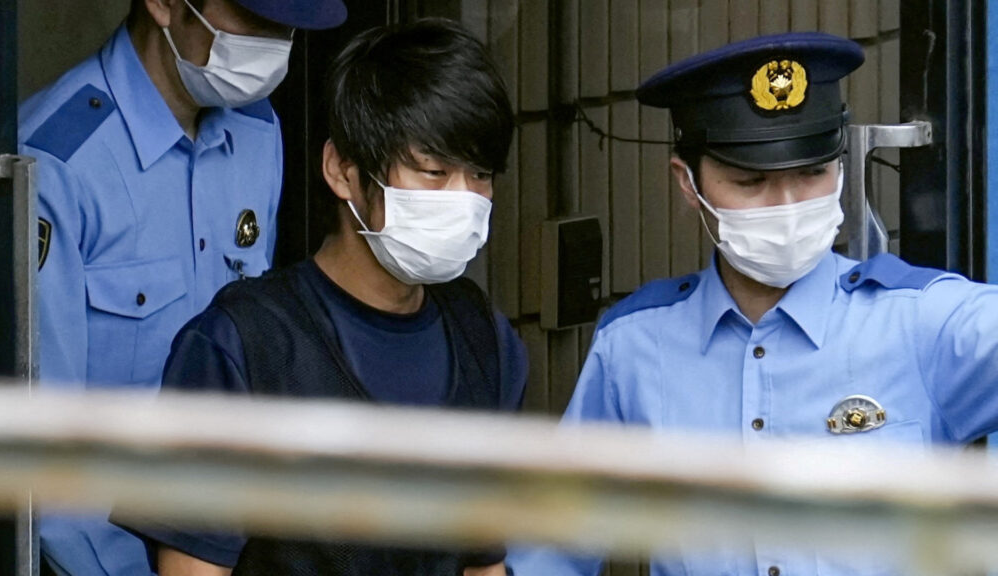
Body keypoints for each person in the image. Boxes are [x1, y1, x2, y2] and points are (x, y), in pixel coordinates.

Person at [507, 32, 998, 575]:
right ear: (688, 183)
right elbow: (551, 551)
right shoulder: (635, 346)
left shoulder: (922, 322)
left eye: (812, 172)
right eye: (751, 181)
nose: (787, 206)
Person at [121, 18, 527, 576]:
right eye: (433, 171)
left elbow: (484, 562)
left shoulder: (485, 340)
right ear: (342, 170)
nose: (464, 199)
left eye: (480, 174)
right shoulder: (241, 345)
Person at [18, 0, 346, 574]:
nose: (275, 44)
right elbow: (42, 449)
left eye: (286, 28)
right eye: (254, 20)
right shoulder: (56, 161)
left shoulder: (257, 130)